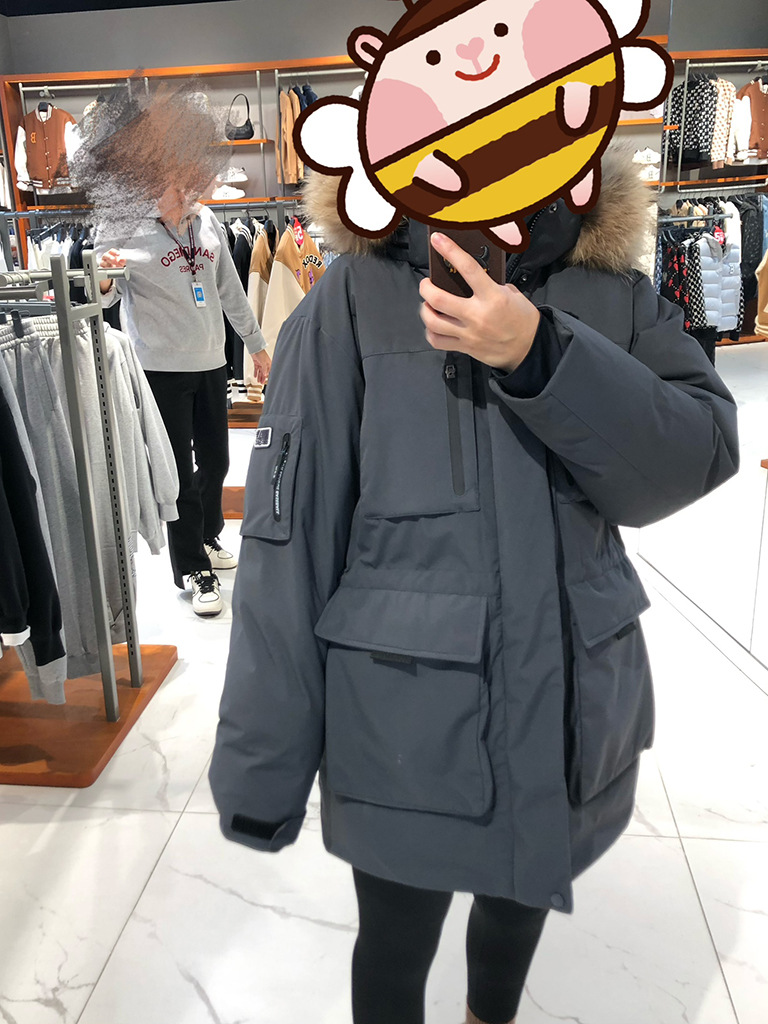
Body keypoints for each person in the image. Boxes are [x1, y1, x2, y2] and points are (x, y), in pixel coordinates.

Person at [208, 144, 739, 1024]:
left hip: (567, 707)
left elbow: (696, 454)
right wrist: (263, 768)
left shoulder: (608, 288)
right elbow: (289, 542)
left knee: (518, 911)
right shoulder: (355, 296)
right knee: (395, 941)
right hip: (407, 728)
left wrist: (542, 353)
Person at [98, 182, 271, 617]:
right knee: (178, 475)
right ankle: (192, 567)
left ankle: (207, 536)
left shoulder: (205, 217)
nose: (182, 189)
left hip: (211, 360)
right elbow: (102, 294)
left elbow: (229, 286)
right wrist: (103, 276)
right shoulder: (120, 223)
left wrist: (256, 345)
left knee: (217, 461)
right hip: (160, 368)